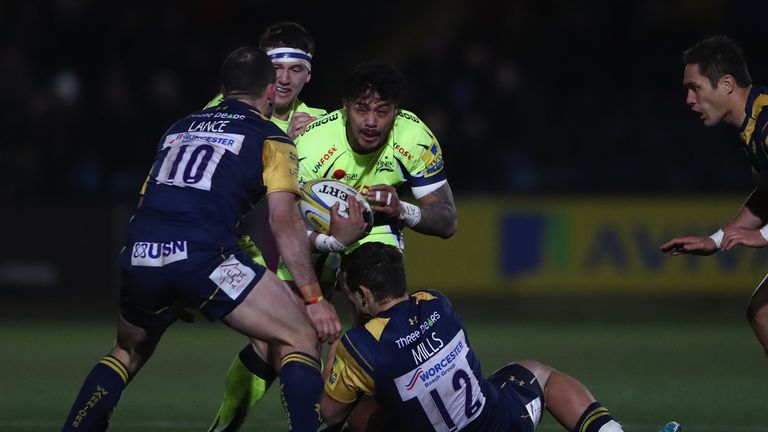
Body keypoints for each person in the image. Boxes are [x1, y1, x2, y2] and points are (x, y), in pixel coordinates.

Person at [59, 46, 340, 432]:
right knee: (299, 333)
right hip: (203, 256)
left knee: (126, 352)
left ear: (223, 89)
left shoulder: (178, 128)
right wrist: (315, 298)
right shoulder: (270, 138)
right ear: (271, 91)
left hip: (140, 253)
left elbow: (146, 199)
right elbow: (283, 220)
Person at [209, 61, 458, 431]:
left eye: (382, 111)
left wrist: (402, 208)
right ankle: (223, 427)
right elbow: (282, 224)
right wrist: (330, 240)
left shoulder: (414, 137)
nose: (371, 122)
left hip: (377, 228)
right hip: (311, 233)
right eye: (362, 109)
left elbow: (447, 220)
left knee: (384, 334)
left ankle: (335, 420)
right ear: (345, 107)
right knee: (276, 340)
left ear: (397, 112)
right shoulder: (310, 146)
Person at [321, 242, 681, 432]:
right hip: (497, 423)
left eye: (350, 294)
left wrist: (338, 341)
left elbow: (330, 414)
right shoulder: (436, 303)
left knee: (361, 409)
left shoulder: (359, 346)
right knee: (538, 374)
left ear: (364, 295)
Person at [205, 22, 330, 432]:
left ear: (308, 75)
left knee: (275, 344)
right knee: (283, 340)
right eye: (277, 66)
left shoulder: (324, 125)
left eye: (296, 69)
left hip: (300, 252)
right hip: (231, 243)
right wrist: (280, 139)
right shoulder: (222, 110)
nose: (285, 78)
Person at [659, 35, 768, 358]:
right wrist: (717, 240)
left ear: (727, 84)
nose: (689, 100)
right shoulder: (754, 125)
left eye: (695, 88)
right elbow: (767, 196)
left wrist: (762, 234)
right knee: (763, 312)